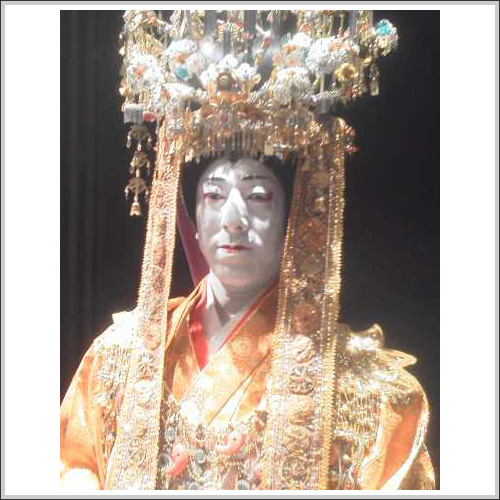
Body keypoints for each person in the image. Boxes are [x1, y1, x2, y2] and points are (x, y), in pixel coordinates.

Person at [60, 9, 435, 490]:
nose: (233, 218)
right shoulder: (116, 359)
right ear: (192, 221)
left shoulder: (371, 394)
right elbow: (74, 465)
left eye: (258, 196)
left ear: (295, 219)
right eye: (213, 196)